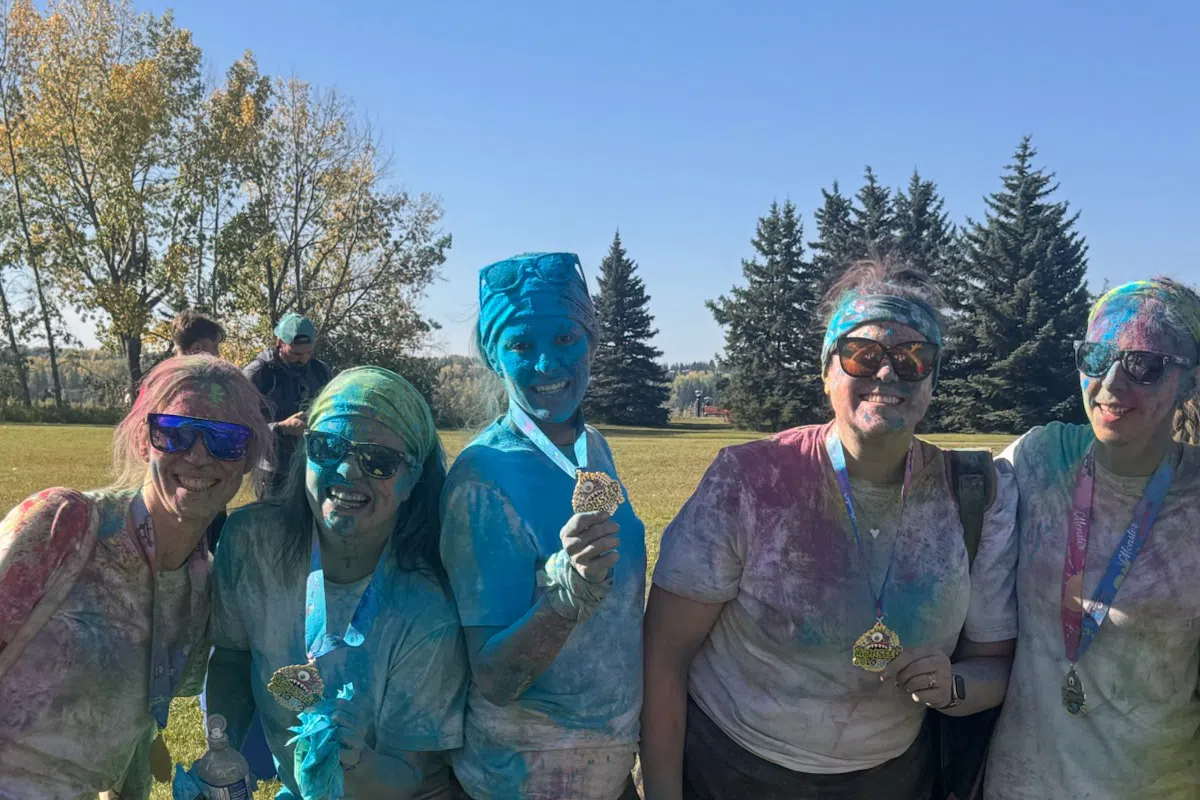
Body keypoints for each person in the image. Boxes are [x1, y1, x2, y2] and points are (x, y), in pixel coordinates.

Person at [640, 259, 1019, 800]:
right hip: (733, 772)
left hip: (890, 779)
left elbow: (997, 667)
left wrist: (954, 685)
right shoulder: (750, 479)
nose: (887, 374)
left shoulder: (975, 494)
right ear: (827, 371)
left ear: (932, 380)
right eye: (862, 355)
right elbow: (664, 651)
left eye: (913, 358)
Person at [0, 355, 270, 799]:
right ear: (146, 441)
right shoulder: (64, 522)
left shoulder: (202, 587)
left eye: (226, 439)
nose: (199, 455)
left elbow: (134, 728)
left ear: (246, 461)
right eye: (175, 432)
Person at [205, 366, 468, 798]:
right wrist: (223, 751)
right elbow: (232, 657)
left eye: (379, 462)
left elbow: (406, 775)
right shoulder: (250, 542)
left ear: (413, 480)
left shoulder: (427, 605)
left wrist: (355, 762)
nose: (346, 470)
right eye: (328, 446)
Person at [439, 252, 646, 800]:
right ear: (494, 357)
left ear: (591, 341)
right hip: (519, 781)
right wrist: (563, 596)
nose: (548, 365)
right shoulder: (481, 479)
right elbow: (495, 679)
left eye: (564, 340)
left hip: (610, 771)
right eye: (521, 346)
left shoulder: (592, 446)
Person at [984, 278, 1200, 798]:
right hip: (1019, 783)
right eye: (1096, 356)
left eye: (1143, 365)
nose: (1109, 384)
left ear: (1190, 383)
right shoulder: (1039, 458)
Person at [245, 312, 333, 500]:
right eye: (295, 353)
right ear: (279, 343)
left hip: (311, 464)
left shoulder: (320, 372)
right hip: (272, 470)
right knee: (272, 526)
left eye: (308, 353)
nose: (303, 360)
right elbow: (241, 424)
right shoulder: (258, 374)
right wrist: (280, 428)